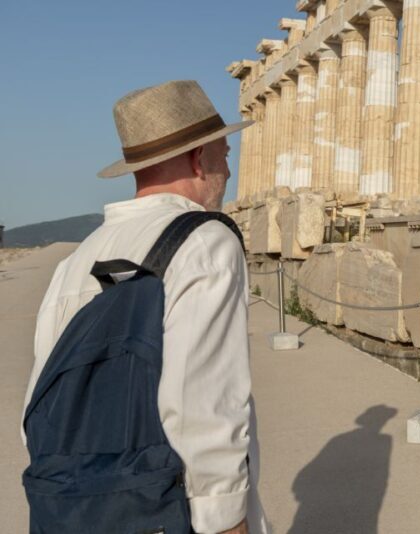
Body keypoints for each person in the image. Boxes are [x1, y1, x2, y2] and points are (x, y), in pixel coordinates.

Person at [21, 80, 266, 534]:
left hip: (78, 504)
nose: (229, 172)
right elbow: (205, 399)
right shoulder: (206, 241)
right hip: (170, 507)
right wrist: (226, 515)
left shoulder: (78, 259)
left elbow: (39, 399)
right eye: (225, 155)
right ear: (199, 158)